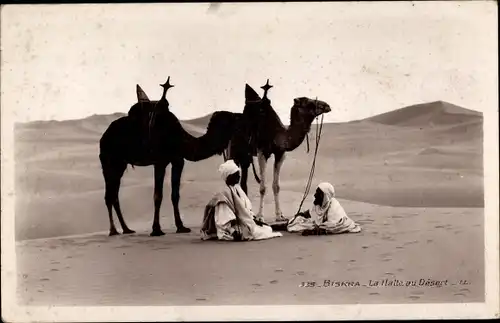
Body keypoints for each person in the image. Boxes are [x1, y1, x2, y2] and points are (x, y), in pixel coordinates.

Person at [200, 160, 283, 241]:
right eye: (236, 175)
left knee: (267, 229)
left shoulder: (238, 189)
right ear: (229, 176)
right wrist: (233, 230)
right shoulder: (223, 194)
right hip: (231, 227)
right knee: (256, 232)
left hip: (242, 222)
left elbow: (246, 209)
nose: (239, 177)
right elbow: (224, 218)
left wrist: (254, 219)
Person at [287, 182, 361, 235]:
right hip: (319, 224)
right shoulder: (318, 205)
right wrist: (302, 214)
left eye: (318, 193)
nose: (315, 195)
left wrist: (316, 231)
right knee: (298, 220)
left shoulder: (334, 207)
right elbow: (311, 213)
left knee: (305, 225)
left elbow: (334, 225)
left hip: (331, 226)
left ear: (325, 196)